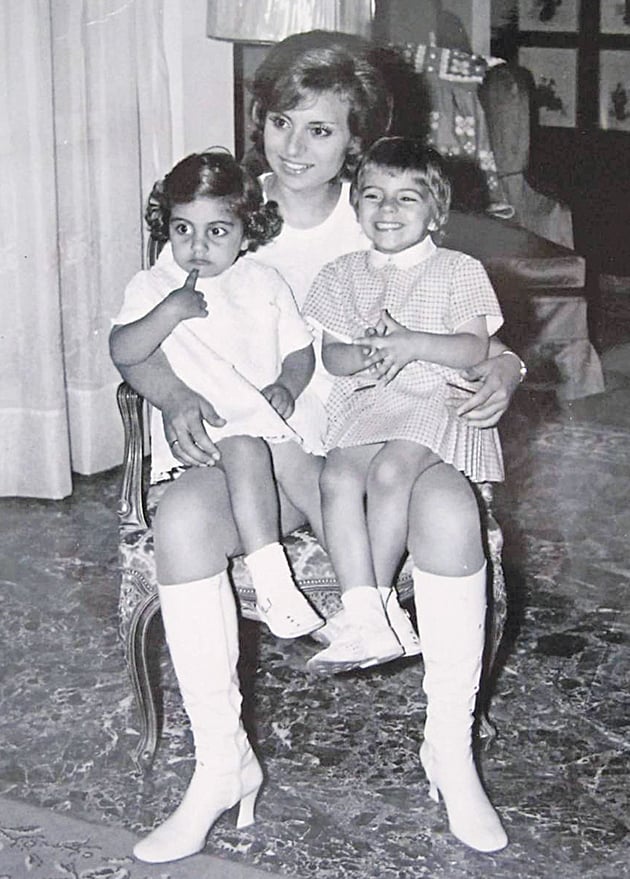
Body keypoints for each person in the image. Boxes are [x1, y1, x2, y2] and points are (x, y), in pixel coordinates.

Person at [115, 31, 520, 863]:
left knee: (449, 510)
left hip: (370, 440)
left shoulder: (381, 210)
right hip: (253, 451)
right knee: (183, 521)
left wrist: (507, 368)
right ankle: (222, 765)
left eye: (321, 130)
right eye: (280, 123)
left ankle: (449, 750)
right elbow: (149, 333)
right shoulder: (223, 209)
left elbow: (465, 319)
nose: (293, 148)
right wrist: (175, 396)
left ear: (357, 143)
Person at [303, 137, 505, 675]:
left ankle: (374, 603)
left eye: (407, 198)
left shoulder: (459, 269)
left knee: (391, 472)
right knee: (336, 476)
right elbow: (332, 355)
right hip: (371, 402)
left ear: (436, 213)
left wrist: (412, 344)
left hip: (437, 396)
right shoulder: (340, 273)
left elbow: (474, 348)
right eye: (373, 195)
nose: (387, 209)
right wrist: (361, 355)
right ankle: (369, 615)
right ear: (356, 207)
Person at [111, 149, 325, 640]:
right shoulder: (154, 286)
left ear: (246, 233)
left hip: (270, 429)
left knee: (318, 480)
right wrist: (168, 312)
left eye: (217, 231)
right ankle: (274, 582)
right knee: (244, 446)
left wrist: (287, 385)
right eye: (183, 229)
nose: (197, 245)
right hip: (208, 438)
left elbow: (300, 352)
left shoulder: (264, 281)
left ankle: (365, 599)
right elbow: (123, 349)